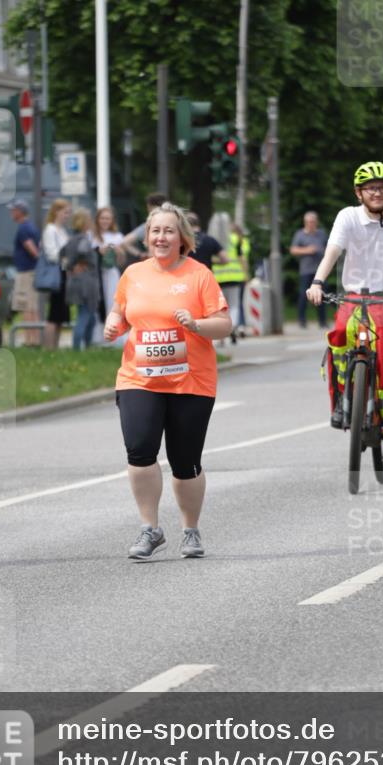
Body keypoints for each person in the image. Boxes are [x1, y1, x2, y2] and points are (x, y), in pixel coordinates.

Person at [104, 202, 232, 560]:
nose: (161, 237)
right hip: (139, 379)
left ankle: (190, 530)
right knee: (140, 451)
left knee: (185, 460)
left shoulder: (199, 275)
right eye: (155, 231)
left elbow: (224, 325)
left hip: (191, 380)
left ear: (182, 238)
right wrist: (114, 324)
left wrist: (196, 324)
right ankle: (150, 528)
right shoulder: (133, 274)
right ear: (147, 237)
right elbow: (121, 310)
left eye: (168, 231)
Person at [307, 161, 383, 465]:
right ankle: (342, 404)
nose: (377, 192)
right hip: (354, 296)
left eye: (382, 187)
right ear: (359, 193)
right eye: (370, 188)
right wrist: (317, 282)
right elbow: (332, 251)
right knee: (339, 339)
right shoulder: (348, 217)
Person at [62, 208, 99, 351]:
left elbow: (61, 255)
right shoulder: (83, 239)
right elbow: (82, 251)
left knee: (89, 317)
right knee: (85, 315)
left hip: (75, 281)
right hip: (86, 282)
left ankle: (86, 347)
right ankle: (78, 348)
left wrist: (69, 267)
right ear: (84, 222)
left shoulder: (70, 240)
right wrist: (81, 263)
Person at [9, 199, 41, 346]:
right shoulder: (32, 227)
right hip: (33, 272)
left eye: (13, 210)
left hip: (25, 273)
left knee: (26, 306)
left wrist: (37, 257)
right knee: (33, 307)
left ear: (19, 212)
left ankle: (30, 340)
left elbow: (32, 249)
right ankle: (35, 339)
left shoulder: (23, 229)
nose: (11, 213)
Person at [92, 205, 126, 344]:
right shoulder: (92, 235)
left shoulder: (117, 236)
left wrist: (118, 252)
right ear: (98, 219)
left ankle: (113, 335)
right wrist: (98, 251)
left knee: (112, 302)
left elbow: (122, 261)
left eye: (108, 218)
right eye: (102, 218)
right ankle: (97, 336)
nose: (105, 221)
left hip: (111, 273)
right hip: (96, 274)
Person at [212, 221, 250, 342]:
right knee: (234, 305)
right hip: (235, 277)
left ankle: (221, 334)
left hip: (219, 278)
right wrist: (246, 274)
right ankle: (233, 327)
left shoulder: (216, 239)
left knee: (221, 306)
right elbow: (242, 258)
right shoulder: (236, 240)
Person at [289, 210, 328, 328]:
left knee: (322, 296)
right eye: (309, 222)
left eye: (313, 222)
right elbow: (293, 250)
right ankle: (302, 321)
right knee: (303, 296)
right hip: (306, 271)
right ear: (305, 222)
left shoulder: (321, 234)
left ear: (316, 222)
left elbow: (329, 247)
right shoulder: (300, 234)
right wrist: (308, 250)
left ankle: (322, 321)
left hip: (321, 271)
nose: (311, 224)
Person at [42, 198, 71, 350]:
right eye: (65, 212)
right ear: (57, 212)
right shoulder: (50, 230)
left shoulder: (62, 231)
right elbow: (51, 254)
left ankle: (55, 346)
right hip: (57, 274)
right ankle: (49, 347)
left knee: (60, 315)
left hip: (64, 274)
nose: (67, 216)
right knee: (53, 314)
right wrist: (66, 258)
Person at [120, 192, 168, 258]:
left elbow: (125, 242)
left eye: (149, 208)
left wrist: (140, 255)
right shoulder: (175, 225)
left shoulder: (147, 226)